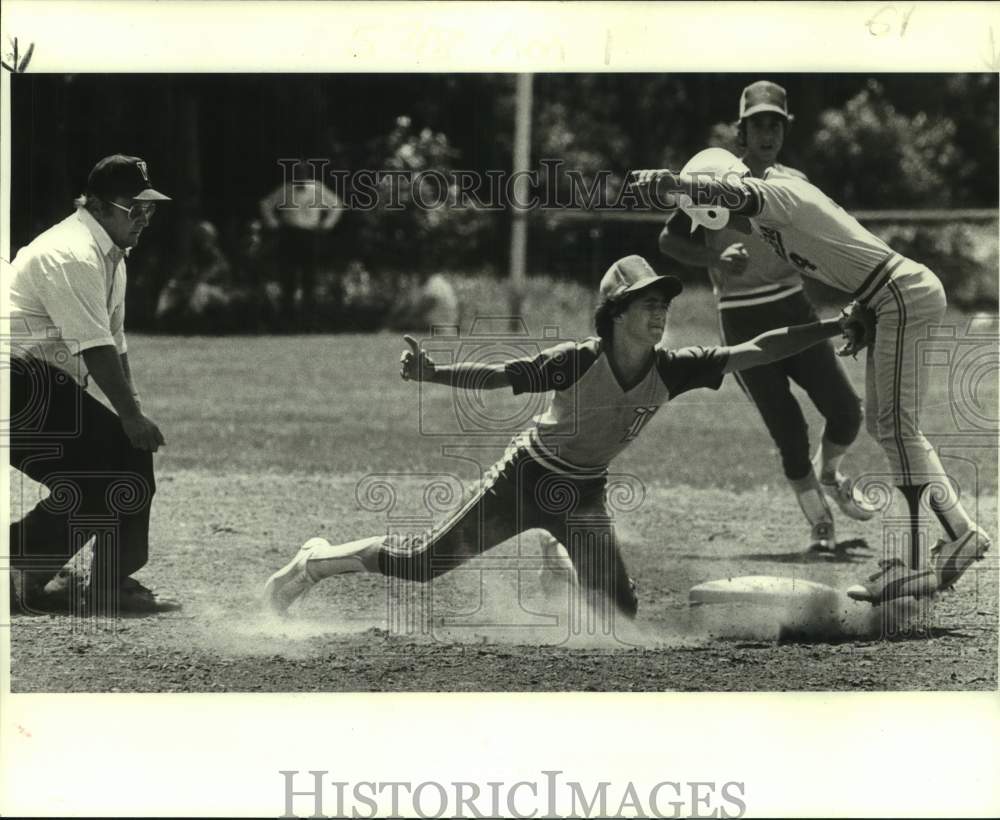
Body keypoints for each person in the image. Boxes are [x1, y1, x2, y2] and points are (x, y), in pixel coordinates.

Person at [264, 254, 851, 619]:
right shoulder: (576, 360)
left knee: (619, 610)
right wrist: (434, 372)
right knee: (422, 563)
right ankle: (314, 561)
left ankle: (557, 561)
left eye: (663, 303)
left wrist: (832, 324)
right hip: (525, 480)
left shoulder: (673, 367)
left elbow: (760, 349)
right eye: (649, 303)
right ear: (616, 311)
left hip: (584, 494)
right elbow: (500, 375)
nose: (661, 312)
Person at [631, 149, 992, 604]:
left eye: (710, 218)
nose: (715, 228)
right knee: (888, 425)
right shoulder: (768, 221)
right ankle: (959, 533)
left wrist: (673, 184)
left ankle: (918, 562)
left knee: (896, 428)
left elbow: (735, 190)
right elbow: (851, 250)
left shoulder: (776, 193)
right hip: (887, 296)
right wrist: (863, 309)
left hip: (900, 293)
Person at [658, 80, 874, 553]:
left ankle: (830, 473)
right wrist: (714, 261)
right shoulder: (717, 179)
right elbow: (669, 242)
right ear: (743, 130)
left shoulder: (792, 181)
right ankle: (820, 525)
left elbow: (822, 241)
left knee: (845, 411)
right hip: (740, 317)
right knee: (788, 431)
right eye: (759, 123)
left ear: (784, 130)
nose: (768, 131)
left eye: (776, 122)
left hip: (793, 306)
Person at [8, 154, 181, 615]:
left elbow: (115, 343)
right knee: (114, 462)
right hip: (16, 384)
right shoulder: (71, 252)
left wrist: (134, 411)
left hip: (34, 386)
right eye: (134, 208)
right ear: (99, 206)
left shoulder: (111, 256)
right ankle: (93, 581)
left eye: (150, 209)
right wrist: (129, 418)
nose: (144, 219)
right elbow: (94, 346)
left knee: (107, 469)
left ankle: (31, 570)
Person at [259, 163, 343, 326]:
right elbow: (265, 204)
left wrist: (327, 225)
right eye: (297, 174)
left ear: (307, 175)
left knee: (309, 276)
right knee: (288, 275)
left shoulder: (316, 189)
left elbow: (337, 205)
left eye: (302, 173)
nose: (299, 177)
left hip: (310, 235)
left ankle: (309, 317)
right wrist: (273, 223)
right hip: (290, 234)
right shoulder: (286, 189)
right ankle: (288, 317)